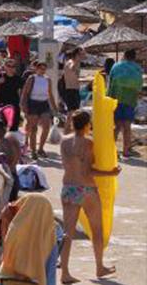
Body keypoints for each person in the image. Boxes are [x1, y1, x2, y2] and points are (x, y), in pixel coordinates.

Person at [59, 111, 120, 283]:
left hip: (68, 188)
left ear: (72, 123)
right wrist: (111, 173)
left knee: (67, 233)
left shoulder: (64, 141)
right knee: (97, 230)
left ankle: (64, 273)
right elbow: (88, 171)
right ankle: (100, 267)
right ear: (87, 125)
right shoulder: (89, 143)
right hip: (87, 189)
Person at [107, 49, 144, 157]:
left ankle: (110, 150)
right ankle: (126, 151)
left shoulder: (116, 66)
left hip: (116, 99)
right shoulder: (137, 68)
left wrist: (109, 97)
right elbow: (139, 86)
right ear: (134, 57)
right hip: (130, 100)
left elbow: (110, 83)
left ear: (124, 55)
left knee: (117, 126)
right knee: (127, 126)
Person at [21, 61, 58, 160]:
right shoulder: (31, 78)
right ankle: (33, 150)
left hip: (44, 104)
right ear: (36, 69)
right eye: (41, 68)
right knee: (33, 128)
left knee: (46, 126)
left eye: (44, 68)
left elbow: (50, 94)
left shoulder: (48, 80)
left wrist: (55, 108)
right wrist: (24, 106)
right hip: (33, 103)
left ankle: (41, 148)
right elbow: (25, 93)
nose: (42, 70)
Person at [62, 48, 83, 135]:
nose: (83, 56)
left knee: (73, 113)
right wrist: (76, 62)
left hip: (74, 89)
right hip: (71, 90)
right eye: (82, 54)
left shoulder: (74, 62)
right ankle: (66, 133)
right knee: (71, 113)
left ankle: (68, 132)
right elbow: (72, 67)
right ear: (77, 54)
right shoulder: (71, 62)